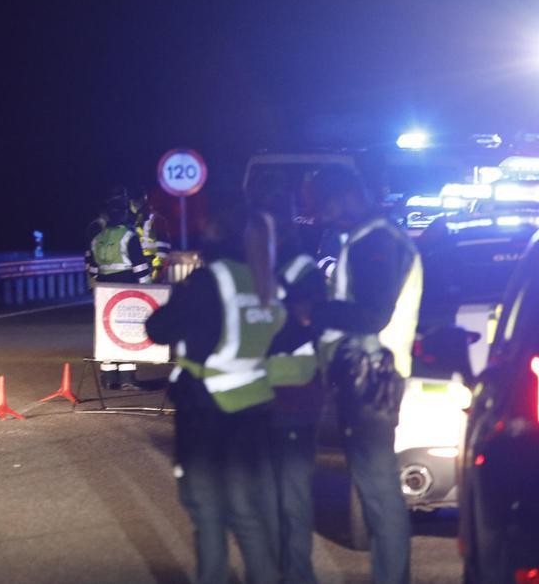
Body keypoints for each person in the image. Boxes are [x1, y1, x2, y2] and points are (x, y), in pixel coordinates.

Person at [146, 194, 283, 584]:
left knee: (206, 512)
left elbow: (158, 329)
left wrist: (181, 294)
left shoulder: (209, 281)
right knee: (246, 512)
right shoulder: (263, 281)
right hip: (254, 408)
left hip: (206, 410)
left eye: (209, 225)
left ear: (221, 232)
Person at [307, 166, 421, 584]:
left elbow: (372, 315)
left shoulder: (377, 238)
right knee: (374, 487)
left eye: (322, 206)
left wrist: (313, 313)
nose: (319, 216)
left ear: (345, 195)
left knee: (377, 489)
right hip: (370, 373)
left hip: (374, 377)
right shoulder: (373, 236)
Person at [249, 189, 328, 584]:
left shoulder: (300, 270)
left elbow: (307, 325)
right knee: (265, 492)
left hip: (294, 394)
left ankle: (296, 577)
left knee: (291, 493)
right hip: (263, 395)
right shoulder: (257, 268)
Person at [88, 192, 152, 389]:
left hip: (104, 287)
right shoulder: (129, 236)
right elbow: (140, 267)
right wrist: (147, 291)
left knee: (107, 330)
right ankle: (127, 378)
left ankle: (108, 378)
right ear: (124, 214)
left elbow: (92, 268)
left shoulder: (97, 238)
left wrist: (95, 289)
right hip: (126, 285)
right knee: (126, 330)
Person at [131, 186, 173, 282]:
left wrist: (158, 270)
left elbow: (163, 250)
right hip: (137, 266)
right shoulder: (132, 220)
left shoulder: (157, 220)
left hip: (151, 265)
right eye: (133, 201)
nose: (135, 204)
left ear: (144, 199)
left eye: (136, 201)